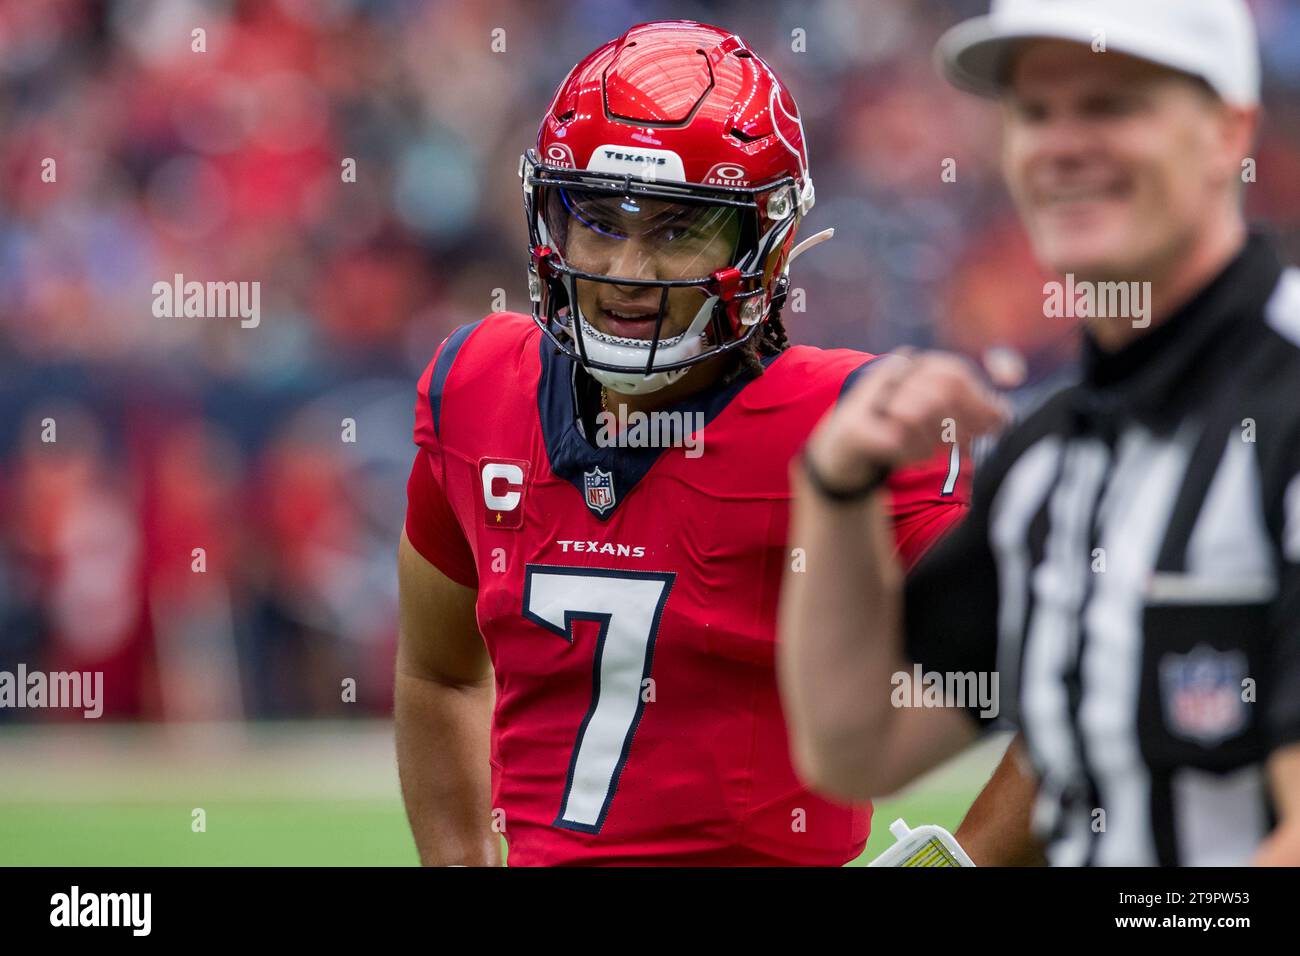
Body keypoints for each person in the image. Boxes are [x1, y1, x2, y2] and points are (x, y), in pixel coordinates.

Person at [394, 19, 971, 866]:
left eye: (678, 231)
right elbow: (439, 673)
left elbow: (1083, 664)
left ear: (766, 247)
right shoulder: (476, 385)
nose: (628, 272)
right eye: (598, 222)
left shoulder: (847, 425)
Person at [779, 0, 1300, 866]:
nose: (1061, 145)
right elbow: (854, 745)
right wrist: (837, 488)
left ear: (1227, 132)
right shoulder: (1055, 455)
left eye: (1110, 105)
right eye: (1034, 111)